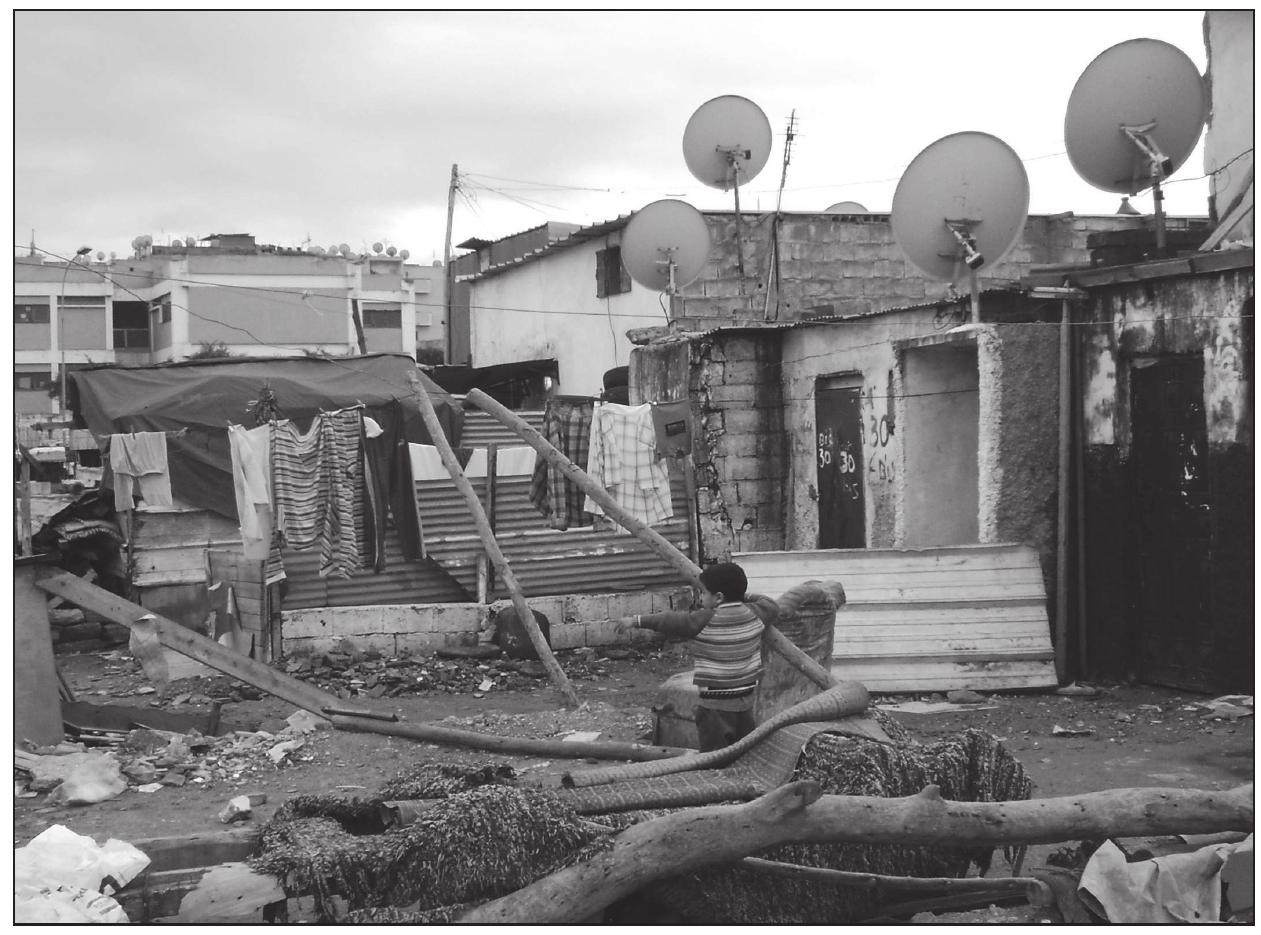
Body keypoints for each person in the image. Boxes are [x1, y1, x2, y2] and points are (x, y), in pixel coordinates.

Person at [616, 561, 777, 752]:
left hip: (714, 705)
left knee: (714, 755)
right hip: (746, 701)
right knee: (745, 750)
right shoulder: (756, 613)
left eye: (703, 592)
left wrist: (636, 621)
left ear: (718, 597)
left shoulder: (704, 620)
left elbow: (669, 621)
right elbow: (771, 603)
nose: (700, 597)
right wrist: (742, 596)